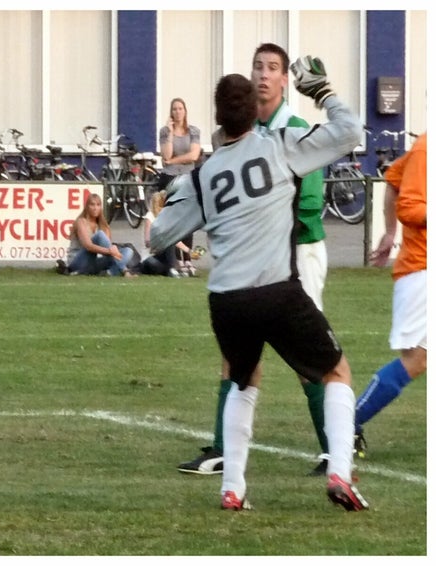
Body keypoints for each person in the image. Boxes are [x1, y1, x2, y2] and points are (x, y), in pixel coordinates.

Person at [151, 62, 367, 511]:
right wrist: (322, 92)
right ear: (255, 112)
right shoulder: (281, 145)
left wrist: (171, 198)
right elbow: (349, 132)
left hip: (226, 300)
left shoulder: (203, 176)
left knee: (242, 380)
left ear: (216, 117)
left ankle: (233, 488)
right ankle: (341, 473)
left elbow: (158, 237)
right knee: (337, 372)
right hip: (277, 290)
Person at [177, 43, 332, 477]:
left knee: (307, 356)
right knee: (236, 354)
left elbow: (311, 201)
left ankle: (335, 447)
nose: (263, 74)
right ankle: (223, 449)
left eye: (273, 68)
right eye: (257, 67)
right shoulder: (237, 133)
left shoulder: (294, 128)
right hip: (256, 256)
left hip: (297, 251)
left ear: (285, 80)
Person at [354, 132, 427, 457]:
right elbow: (410, 207)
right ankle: (348, 423)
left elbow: (393, 179)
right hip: (423, 269)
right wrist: (393, 230)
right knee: (416, 359)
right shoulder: (427, 149)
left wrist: (389, 232)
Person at [158, 98, 202, 276]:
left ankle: (188, 258)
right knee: (173, 218)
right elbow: (166, 155)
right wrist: (169, 133)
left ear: (185, 111)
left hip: (187, 178)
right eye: (174, 109)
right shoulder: (164, 131)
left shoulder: (193, 131)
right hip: (170, 178)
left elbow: (193, 155)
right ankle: (176, 259)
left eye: (180, 108)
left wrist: (174, 160)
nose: (177, 112)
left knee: (188, 217)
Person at [59, 192, 135, 277]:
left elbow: (109, 249)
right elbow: (88, 246)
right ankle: (123, 270)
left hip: (93, 263)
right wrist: (110, 251)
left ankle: (110, 273)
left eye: (98, 205)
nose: (95, 208)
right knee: (100, 235)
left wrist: (112, 251)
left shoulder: (104, 226)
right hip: (77, 262)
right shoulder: (81, 222)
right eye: (92, 205)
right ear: (87, 206)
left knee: (128, 251)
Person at [132, 190, 191, 277]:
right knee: (155, 264)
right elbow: (148, 242)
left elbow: (174, 239)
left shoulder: (167, 218)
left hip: (163, 256)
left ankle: (172, 269)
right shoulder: (150, 217)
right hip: (151, 256)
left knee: (169, 242)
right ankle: (173, 269)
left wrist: (188, 251)